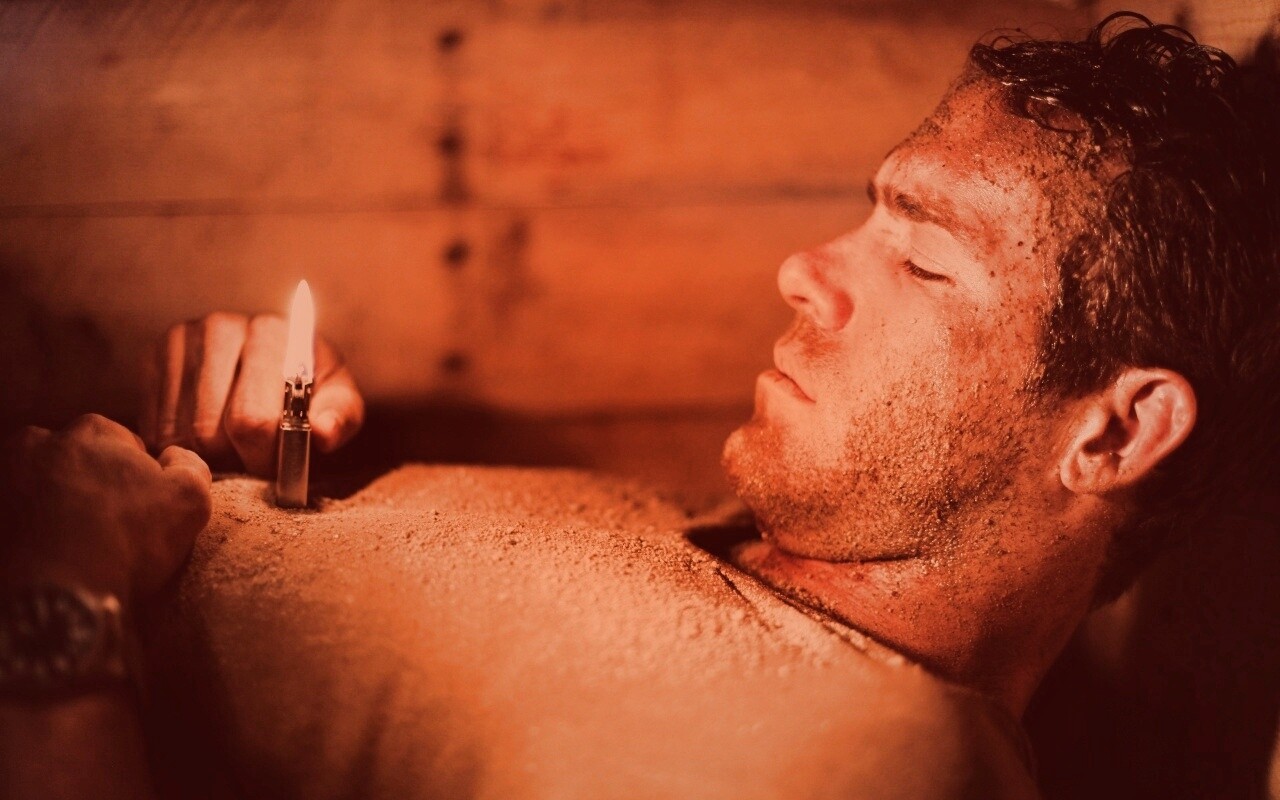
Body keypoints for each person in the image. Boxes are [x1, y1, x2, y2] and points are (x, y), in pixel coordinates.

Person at [2, 12, 1277, 799]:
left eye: (924, 260)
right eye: (869, 212)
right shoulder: (729, 537)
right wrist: (253, 459)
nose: (803, 269)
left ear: (1113, 430)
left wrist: (61, 587)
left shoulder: (857, 763)